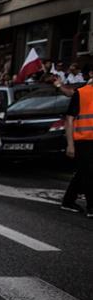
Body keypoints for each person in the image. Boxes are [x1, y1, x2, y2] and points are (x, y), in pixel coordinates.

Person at [61, 80, 93, 217]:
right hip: (83, 140)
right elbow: (69, 119)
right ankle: (92, 208)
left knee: (83, 172)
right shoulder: (81, 93)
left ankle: (68, 201)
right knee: (90, 173)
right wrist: (70, 144)